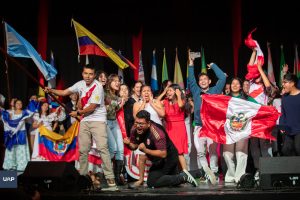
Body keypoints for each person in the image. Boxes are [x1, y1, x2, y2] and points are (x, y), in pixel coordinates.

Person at [44, 64, 117, 190]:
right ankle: (82, 179)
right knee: (83, 150)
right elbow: (65, 92)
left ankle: (111, 181)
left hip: (98, 120)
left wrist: (78, 112)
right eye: (85, 73)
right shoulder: (80, 84)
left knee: (102, 148)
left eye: (90, 74)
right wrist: (51, 91)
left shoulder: (98, 86)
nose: (88, 76)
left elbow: (92, 106)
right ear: (82, 74)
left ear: (94, 75)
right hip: (85, 120)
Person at [124, 110, 198, 188]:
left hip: (169, 158)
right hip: (158, 159)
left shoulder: (157, 132)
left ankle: (184, 177)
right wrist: (128, 144)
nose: (138, 126)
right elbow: (134, 146)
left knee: (152, 182)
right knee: (171, 181)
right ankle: (200, 172)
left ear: (148, 124)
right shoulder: (134, 129)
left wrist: (146, 150)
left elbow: (163, 154)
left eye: (141, 124)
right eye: (136, 122)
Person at [187, 50, 226, 184]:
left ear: (209, 81)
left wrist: (214, 66)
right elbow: (191, 79)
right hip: (199, 126)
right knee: (200, 152)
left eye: (205, 79)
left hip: (212, 126)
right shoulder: (196, 91)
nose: (202, 81)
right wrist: (191, 65)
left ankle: (214, 172)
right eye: (200, 80)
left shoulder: (215, 90)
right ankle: (204, 172)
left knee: (213, 150)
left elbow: (223, 78)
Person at [223, 77, 256, 183]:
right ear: (230, 85)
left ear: (241, 86)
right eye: (233, 83)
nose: (235, 85)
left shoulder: (247, 98)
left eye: (237, 83)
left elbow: (260, 108)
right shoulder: (224, 98)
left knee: (241, 154)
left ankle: (239, 177)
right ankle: (231, 175)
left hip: (243, 130)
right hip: (229, 131)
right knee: (227, 154)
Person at [279, 73, 300, 156]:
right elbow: (283, 113)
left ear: (292, 83)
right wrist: (281, 125)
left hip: (299, 129)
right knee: (286, 151)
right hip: (288, 130)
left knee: (298, 148)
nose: (283, 85)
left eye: (285, 82)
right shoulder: (285, 98)